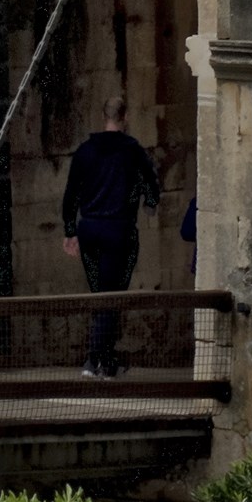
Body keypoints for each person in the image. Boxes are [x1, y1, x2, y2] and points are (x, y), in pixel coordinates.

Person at [60, 96, 163, 379]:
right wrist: (150, 203)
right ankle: (94, 360)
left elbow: (71, 195)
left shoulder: (86, 151)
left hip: (90, 229)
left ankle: (106, 360)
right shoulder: (131, 151)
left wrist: (70, 230)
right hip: (118, 229)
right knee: (111, 295)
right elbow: (150, 179)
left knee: (102, 295)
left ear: (103, 116)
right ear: (125, 117)